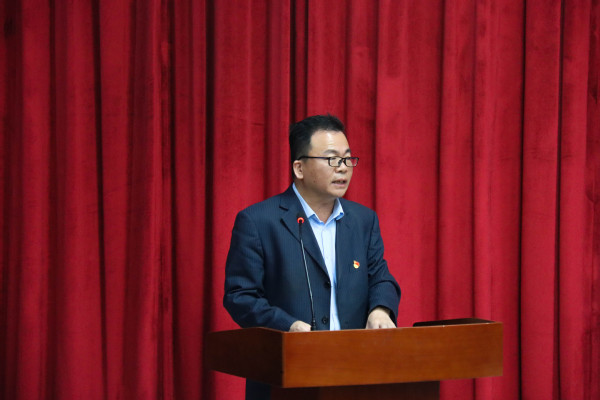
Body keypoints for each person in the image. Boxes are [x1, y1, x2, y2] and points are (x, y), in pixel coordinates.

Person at [223, 114, 401, 400]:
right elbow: (240, 296)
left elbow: (381, 277)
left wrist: (380, 310)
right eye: (331, 159)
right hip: (285, 377)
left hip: (356, 376)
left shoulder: (363, 220)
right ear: (299, 168)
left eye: (347, 159)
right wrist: (287, 326)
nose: (342, 168)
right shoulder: (258, 221)